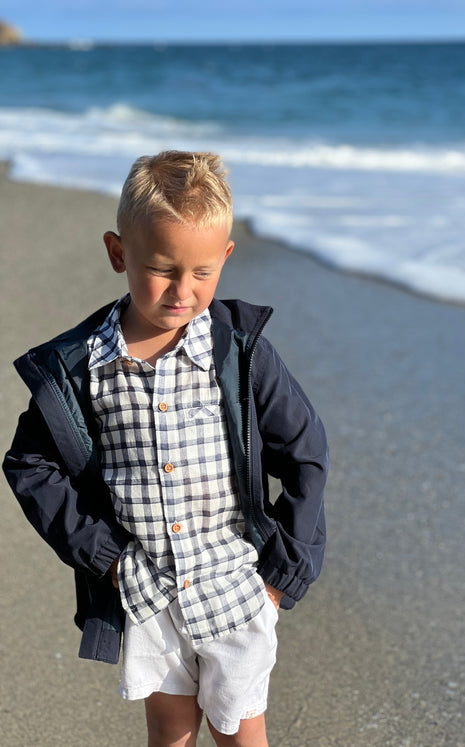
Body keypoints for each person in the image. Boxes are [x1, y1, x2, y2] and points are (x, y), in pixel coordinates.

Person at [3, 151, 328, 746]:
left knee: (240, 732)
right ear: (118, 253)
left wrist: (283, 571)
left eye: (202, 273)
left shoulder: (240, 354)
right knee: (169, 732)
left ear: (226, 257)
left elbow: (305, 450)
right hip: (145, 592)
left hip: (235, 588)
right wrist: (103, 555)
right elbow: (29, 463)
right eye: (161, 269)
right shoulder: (83, 368)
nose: (183, 291)